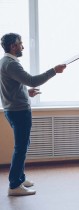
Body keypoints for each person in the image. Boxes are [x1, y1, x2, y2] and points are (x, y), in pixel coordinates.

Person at [0, 33, 66, 196]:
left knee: (23, 145)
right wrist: (54, 71)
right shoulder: (11, 64)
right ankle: (14, 185)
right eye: (20, 44)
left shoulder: (6, 62)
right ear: (13, 46)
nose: (22, 46)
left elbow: (13, 85)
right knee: (21, 147)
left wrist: (26, 92)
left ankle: (20, 178)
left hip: (14, 109)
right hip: (19, 111)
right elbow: (32, 80)